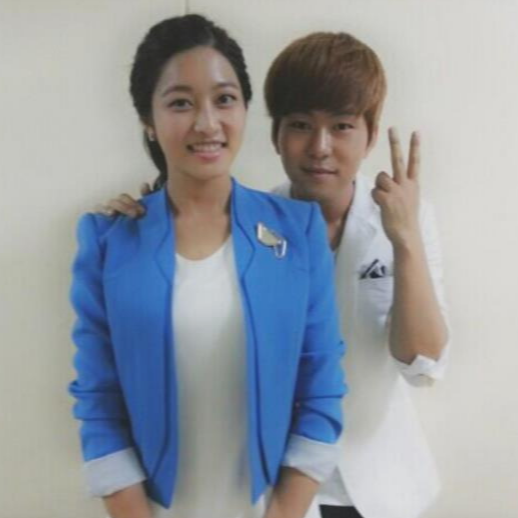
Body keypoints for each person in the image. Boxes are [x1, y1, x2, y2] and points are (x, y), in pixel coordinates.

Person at [102, 30, 450, 518]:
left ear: (370, 134)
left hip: (380, 487)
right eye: (301, 125)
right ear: (276, 136)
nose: (320, 147)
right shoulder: (243, 226)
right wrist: (148, 228)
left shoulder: (406, 219)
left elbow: (423, 364)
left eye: (342, 127)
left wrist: (405, 240)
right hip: (278, 487)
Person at [69, 15, 346, 518]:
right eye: (180, 102)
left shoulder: (298, 230)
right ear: (148, 119)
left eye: (224, 99)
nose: (207, 123)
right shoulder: (108, 241)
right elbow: (99, 400)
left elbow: (321, 387)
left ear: (245, 109)